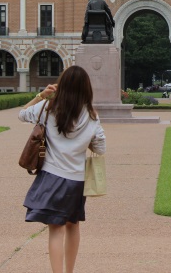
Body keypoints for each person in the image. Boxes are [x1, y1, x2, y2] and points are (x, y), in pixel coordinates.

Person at [19, 65, 106, 273]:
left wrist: (42, 95)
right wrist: (84, 141)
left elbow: (22, 114)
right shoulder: (92, 115)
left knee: (55, 230)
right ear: (87, 89)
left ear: (62, 86)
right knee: (73, 225)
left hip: (51, 175)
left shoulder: (48, 109)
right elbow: (100, 147)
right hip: (77, 179)